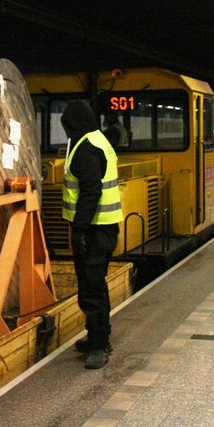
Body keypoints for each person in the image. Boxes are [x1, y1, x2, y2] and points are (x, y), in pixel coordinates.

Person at [61, 100, 123, 369]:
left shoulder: (85, 148)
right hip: (101, 227)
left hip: (95, 230)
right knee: (92, 285)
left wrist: (80, 229)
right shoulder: (96, 138)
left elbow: (91, 192)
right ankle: (95, 335)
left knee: (92, 288)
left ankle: (100, 345)